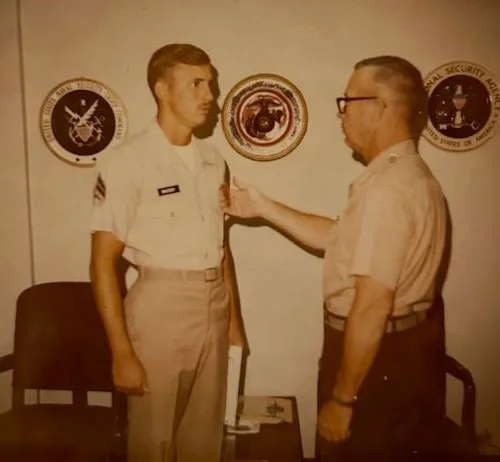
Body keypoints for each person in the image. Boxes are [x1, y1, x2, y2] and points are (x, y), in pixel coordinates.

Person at [221, 56, 447, 460]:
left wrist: (344, 400)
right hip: (399, 352)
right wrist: (264, 207)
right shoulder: (404, 175)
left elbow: (372, 305)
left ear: (378, 107)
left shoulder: (388, 191)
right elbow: (340, 239)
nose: (341, 115)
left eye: (347, 102)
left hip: (376, 362)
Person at [89, 43, 244, 462]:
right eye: (195, 84)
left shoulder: (214, 161)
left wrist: (233, 323)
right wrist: (121, 352)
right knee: (154, 441)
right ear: (162, 89)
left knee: (204, 439)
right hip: (161, 307)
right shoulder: (126, 161)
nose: (208, 95)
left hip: (213, 305)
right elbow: (102, 264)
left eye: (209, 83)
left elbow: (221, 248)